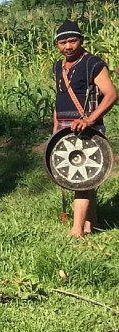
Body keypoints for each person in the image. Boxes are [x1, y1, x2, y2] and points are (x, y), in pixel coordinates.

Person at [51, 20, 117, 237]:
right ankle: (92, 223)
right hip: (64, 129)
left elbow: (111, 95)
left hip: (87, 129)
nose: (68, 46)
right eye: (63, 42)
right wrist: (55, 129)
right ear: (57, 44)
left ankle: (76, 231)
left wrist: (89, 120)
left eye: (72, 41)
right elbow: (59, 99)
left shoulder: (93, 64)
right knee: (83, 179)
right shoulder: (58, 67)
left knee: (81, 179)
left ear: (81, 40)